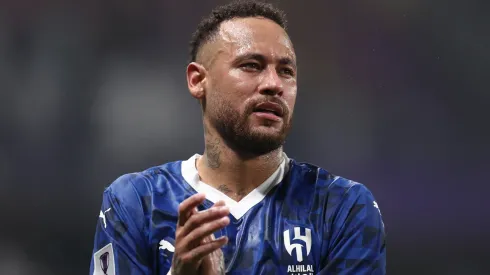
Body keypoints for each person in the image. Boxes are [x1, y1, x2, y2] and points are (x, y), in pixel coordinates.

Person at [89, 1, 386, 274]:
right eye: (251, 66)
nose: (274, 84)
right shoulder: (135, 203)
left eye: (286, 71)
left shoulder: (341, 208)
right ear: (198, 80)